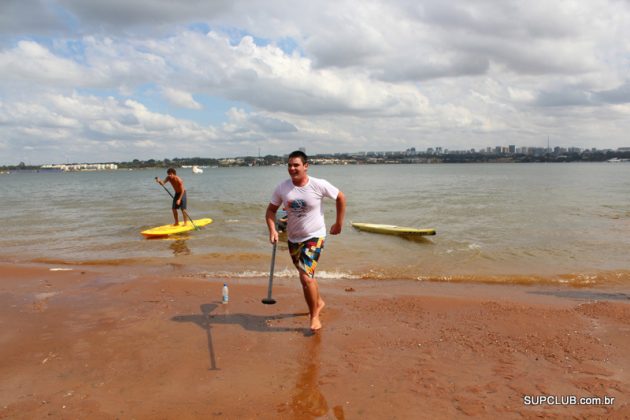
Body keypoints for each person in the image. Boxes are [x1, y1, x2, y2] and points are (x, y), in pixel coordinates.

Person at [265, 150, 346, 332]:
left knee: (305, 276)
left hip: (315, 236)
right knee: (307, 277)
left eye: (296, 165)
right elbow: (270, 211)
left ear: (306, 166)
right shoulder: (282, 188)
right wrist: (273, 230)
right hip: (293, 238)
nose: (292, 168)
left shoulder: (318, 184)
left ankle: (314, 316)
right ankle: (319, 301)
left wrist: (338, 223)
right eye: (289, 165)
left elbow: (341, 197)